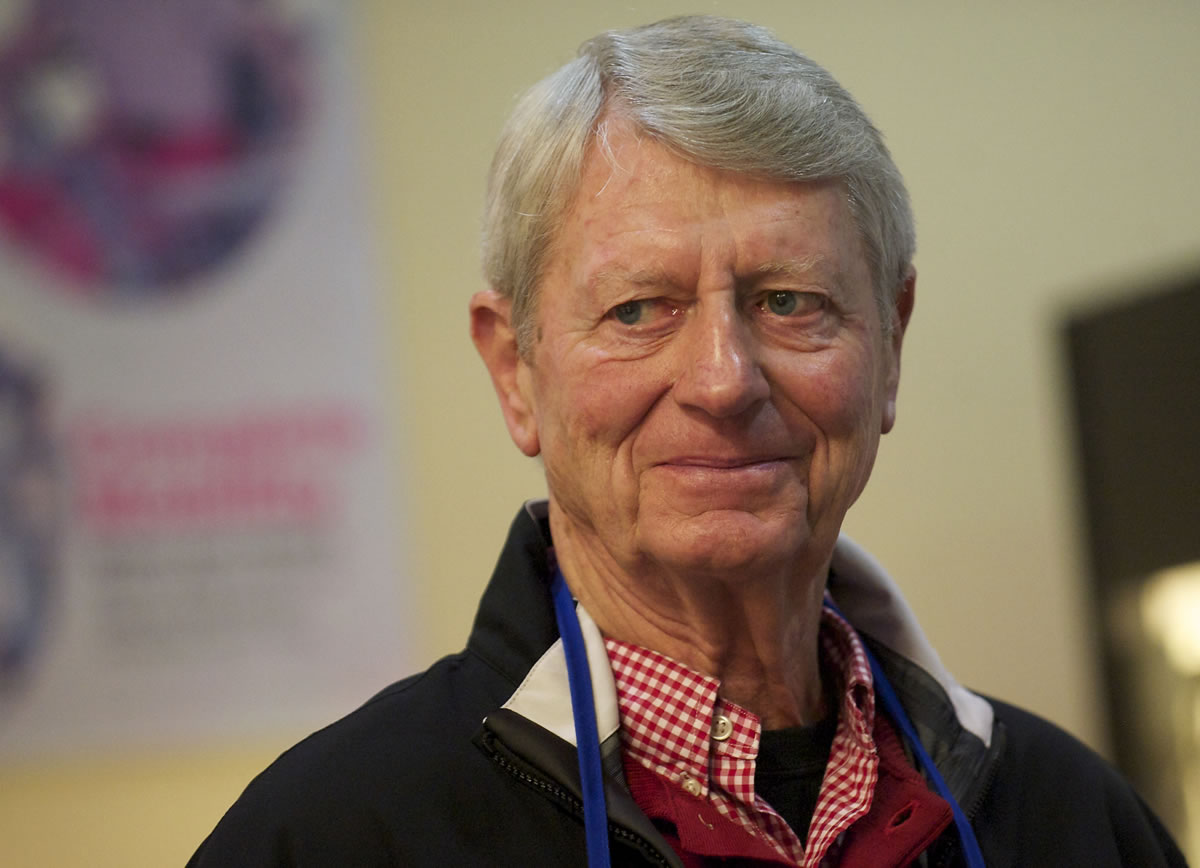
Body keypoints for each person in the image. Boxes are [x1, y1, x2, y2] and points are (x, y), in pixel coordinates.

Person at [189, 16, 1186, 867]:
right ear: (514, 370)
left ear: (891, 343)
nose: (722, 379)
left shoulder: (1077, 824)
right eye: (638, 310)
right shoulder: (329, 837)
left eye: (788, 302)